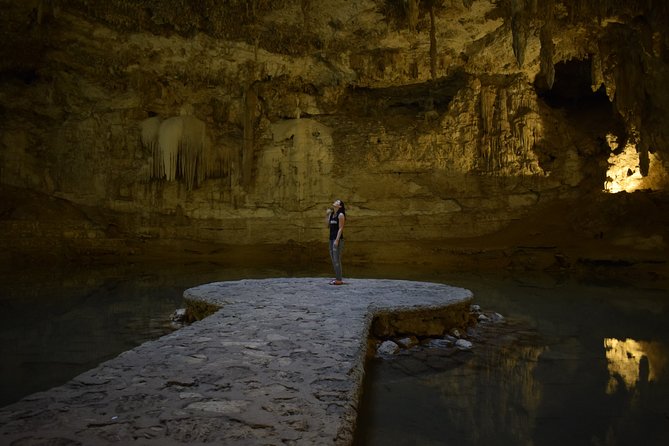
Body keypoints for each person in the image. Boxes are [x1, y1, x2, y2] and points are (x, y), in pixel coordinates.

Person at [326, 199, 346, 285]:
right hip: (331, 239)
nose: (335, 202)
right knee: (333, 260)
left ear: (340, 206)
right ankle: (337, 277)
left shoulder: (340, 215)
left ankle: (339, 280)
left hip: (337, 239)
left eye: (337, 202)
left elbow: (341, 228)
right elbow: (327, 225)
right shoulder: (332, 214)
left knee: (336, 259)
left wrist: (337, 240)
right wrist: (327, 215)